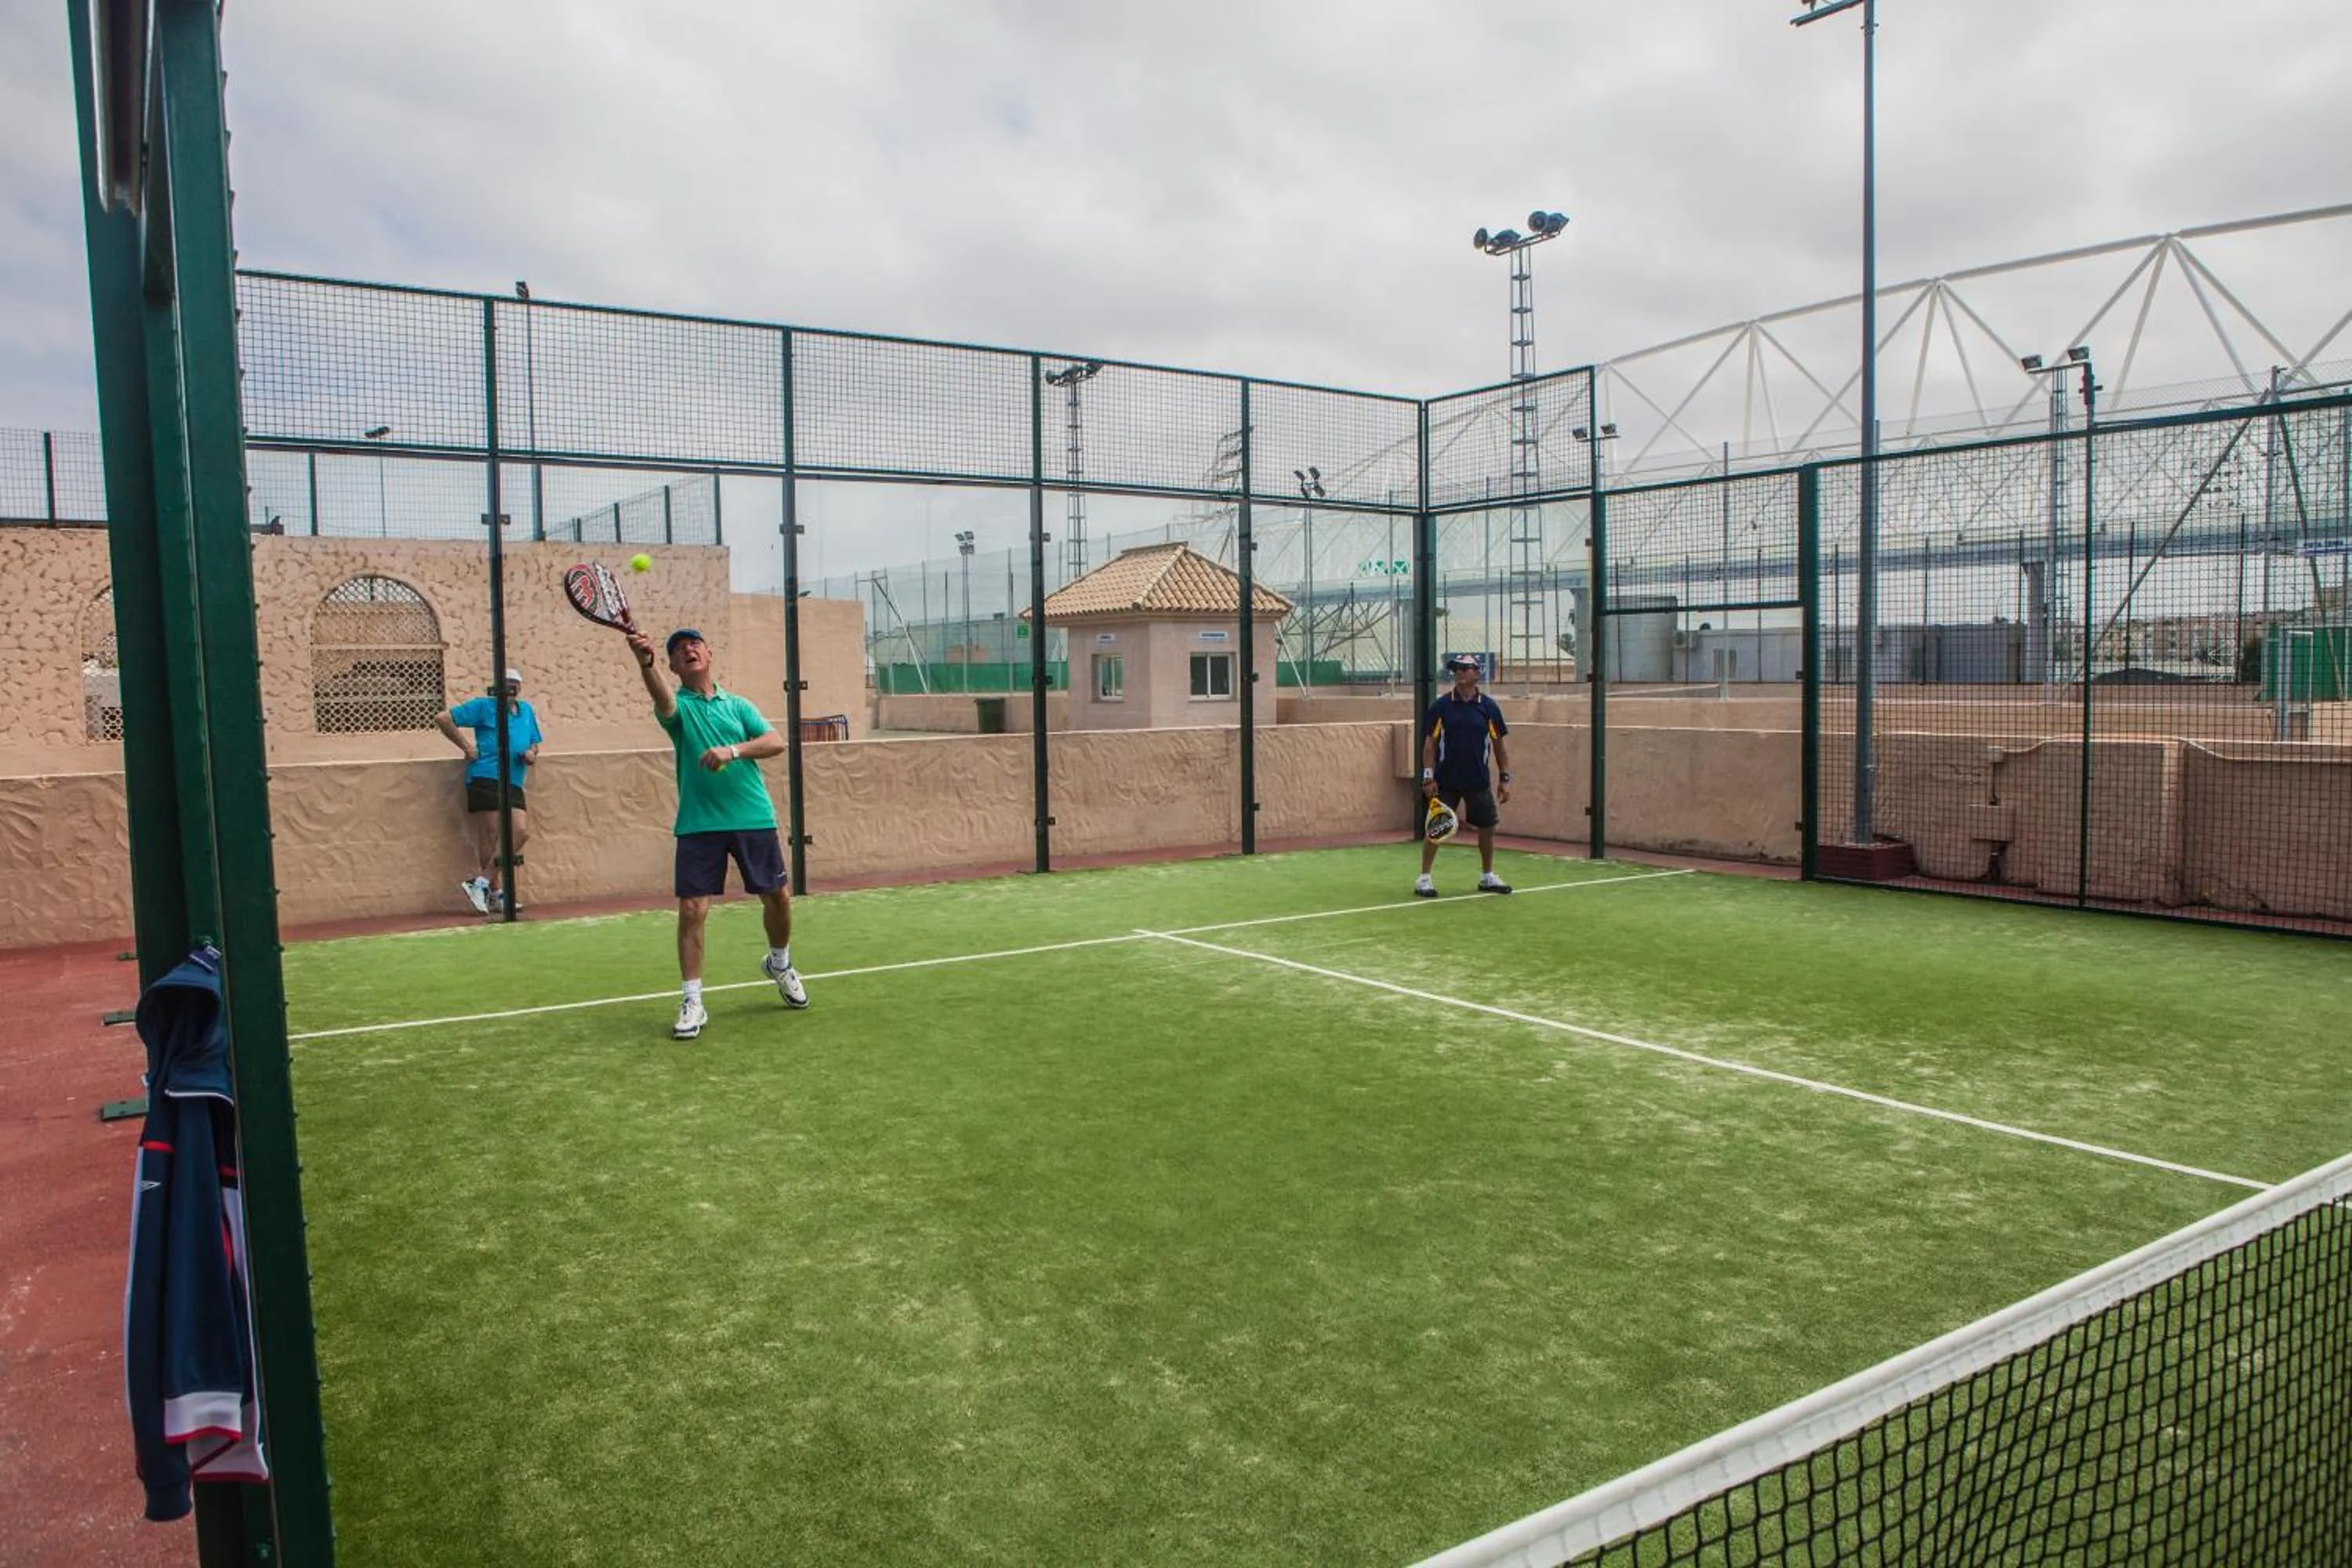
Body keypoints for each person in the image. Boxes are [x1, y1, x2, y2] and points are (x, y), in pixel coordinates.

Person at [623, 625, 808, 1038]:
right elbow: (660, 696)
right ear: (672, 664)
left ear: (708, 654)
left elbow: (776, 741)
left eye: (695, 644)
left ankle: (779, 962)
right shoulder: (678, 709)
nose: (688, 649)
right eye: (678, 649)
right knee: (692, 910)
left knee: (778, 899)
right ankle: (693, 1001)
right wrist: (645, 663)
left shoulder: (737, 705)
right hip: (699, 823)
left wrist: (733, 750)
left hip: (753, 817)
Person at [434, 668, 543, 914]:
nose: (510, 688)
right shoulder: (484, 706)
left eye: (514, 684)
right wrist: (467, 747)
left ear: (520, 687)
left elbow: (535, 741)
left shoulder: (525, 711)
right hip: (485, 775)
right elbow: (443, 718)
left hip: (513, 780)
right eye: (506, 684)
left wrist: (531, 753)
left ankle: (480, 882)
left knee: (520, 832)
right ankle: (495, 893)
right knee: (491, 834)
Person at [1416, 653, 1513, 897]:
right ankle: (1424, 878)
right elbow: (1430, 745)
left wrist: (1505, 778)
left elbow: (1499, 746)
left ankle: (1487, 876)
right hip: (1446, 781)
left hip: (1478, 781)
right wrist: (1428, 777)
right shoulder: (1442, 706)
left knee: (1488, 827)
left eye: (1465, 669)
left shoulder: (1489, 708)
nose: (1459, 672)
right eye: (1456, 669)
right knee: (1436, 827)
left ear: (1476, 673)